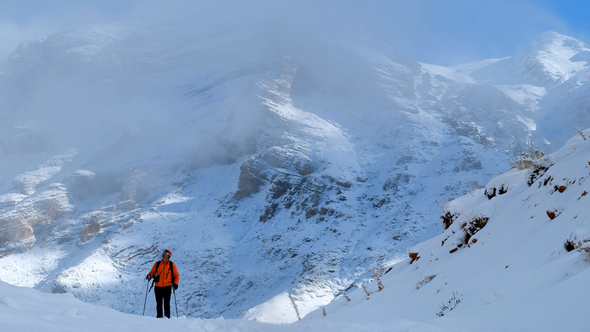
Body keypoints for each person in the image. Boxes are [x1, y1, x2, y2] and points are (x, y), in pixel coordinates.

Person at [146, 249, 179, 318]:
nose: (163, 253)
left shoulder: (171, 264)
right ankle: (159, 318)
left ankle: (167, 318)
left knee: (166, 303)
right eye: (163, 252)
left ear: (168, 256)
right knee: (159, 303)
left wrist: (175, 284)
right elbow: (152, 272)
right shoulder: (157, 264)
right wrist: (149, 276)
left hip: (167, 286)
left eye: (166, 253)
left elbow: (176, 275)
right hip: (158, 286)